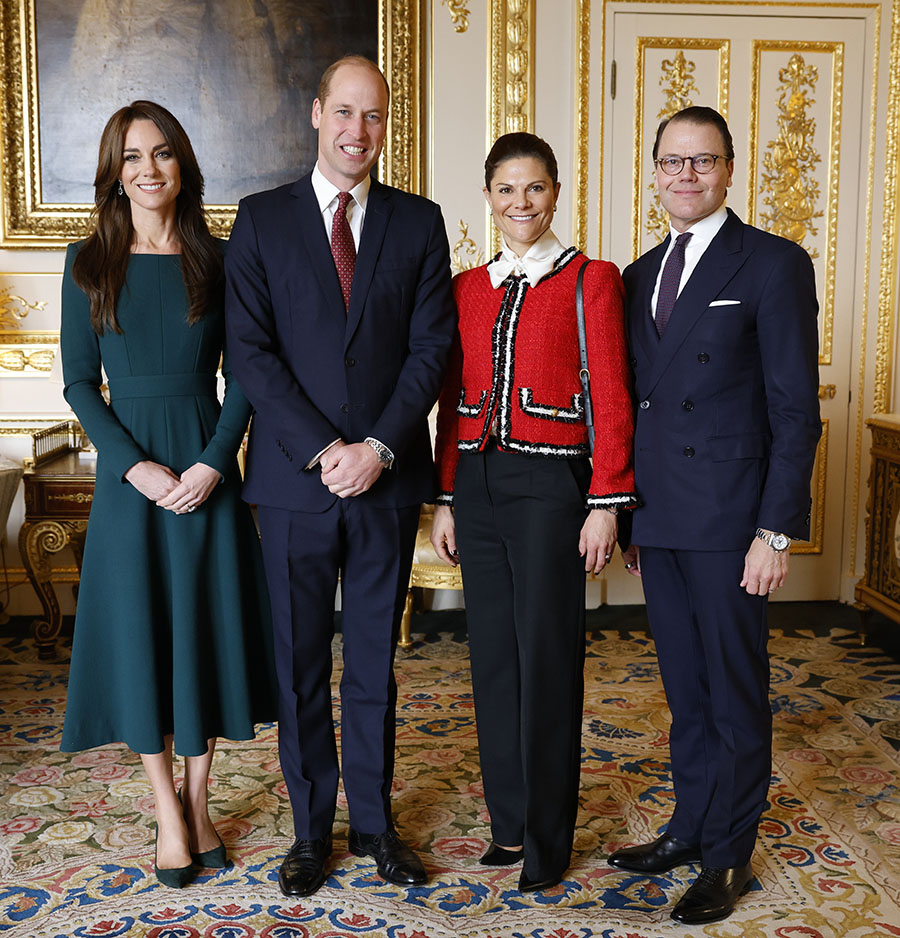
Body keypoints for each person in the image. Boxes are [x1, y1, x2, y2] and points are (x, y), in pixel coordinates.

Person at [225, 55, 455, 897]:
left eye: (376, 116)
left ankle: (376, 825)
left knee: (373, 665)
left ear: (387, 125)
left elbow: (432, 350)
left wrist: (380, 449)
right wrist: (328, 449)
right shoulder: (260, 220)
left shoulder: (419, 222)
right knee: (296, 665)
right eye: (346, 112)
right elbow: (249, 352)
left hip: (386, 483)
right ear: (317, 113)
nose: (361, 131)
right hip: (293, 484)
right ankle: (309, 832)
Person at [608, 106, 821, 924]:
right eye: (672, 161)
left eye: (703, 162)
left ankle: (728, 855)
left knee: (735, 694)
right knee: (685, 692)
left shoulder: (771, 263)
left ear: (730, 169)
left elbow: (794, 411)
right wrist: (627, 515)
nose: (685, 176)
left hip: (734, 524)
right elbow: (634, 403)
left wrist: (774, 532)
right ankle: (690, 826)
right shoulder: (637, 273)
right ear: (654, 171)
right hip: (660, 519)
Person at [59, 101, 277, 889]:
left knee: (203, 636)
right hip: (133, 482)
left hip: (205, 473)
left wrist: (217, 461)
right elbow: (81, 384)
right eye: (132, 157)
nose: (148, 169)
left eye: (161, 154)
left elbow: (248, 373)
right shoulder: (87, 264)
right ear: (114, 173)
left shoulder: (220, 262)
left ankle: (200, 799)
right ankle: (165, 809)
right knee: (147, 638)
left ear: (182, 165)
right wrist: (135, 468)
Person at [430, 132, 637, 892]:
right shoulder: (467, 288)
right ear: (487, 195)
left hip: (553, 490)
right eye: (507, 189)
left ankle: (549, 841)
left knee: (547, 659)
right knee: (492, 660)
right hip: (479, 487)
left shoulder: (592, 280)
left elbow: (612, 396)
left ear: (556, 192)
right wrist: (448, 495)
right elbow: (452, 398)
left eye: (536, 188)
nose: (522, 203)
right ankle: (507, 824)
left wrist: (607, 503)